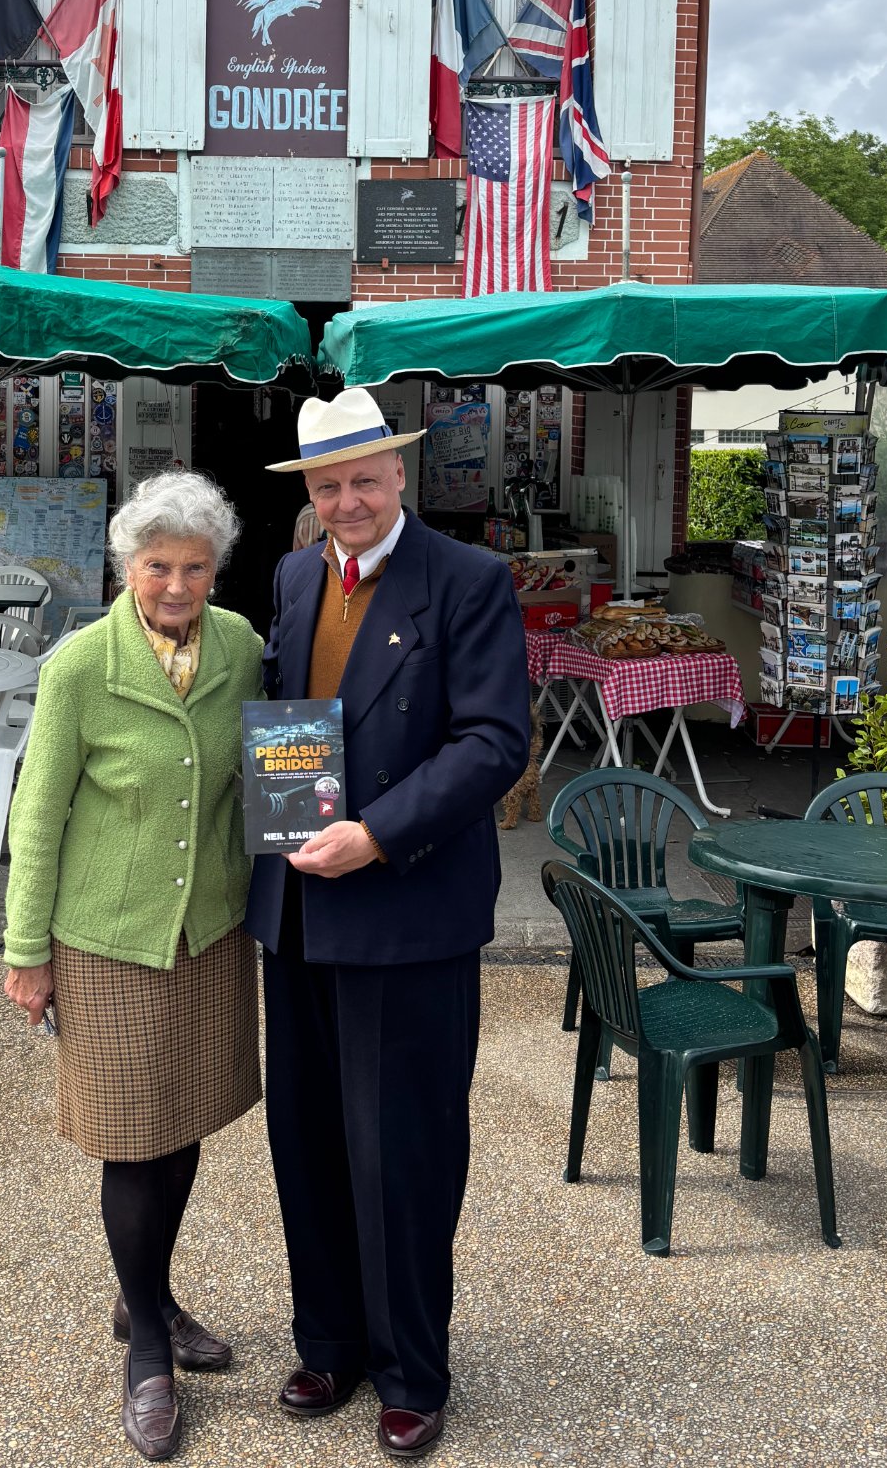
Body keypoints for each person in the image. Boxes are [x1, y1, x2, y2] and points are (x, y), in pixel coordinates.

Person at [249, 387, 531, 1459]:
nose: (349, 499)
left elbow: (495, 741)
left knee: (404, 1149)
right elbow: (290, 717)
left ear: (401, 474)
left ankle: (413, 1367)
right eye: (329, 484)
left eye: (365, 477)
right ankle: (330, 1341)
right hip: (302, 911)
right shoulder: (291, 573)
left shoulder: (467, 579)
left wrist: (376, 831)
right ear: (310, 494)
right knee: (307, 1138)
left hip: (407, 909)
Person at [2, 470, 264, 1463]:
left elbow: (275, 764)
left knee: (185, 1114)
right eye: (158, 564)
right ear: (127, 565)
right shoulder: (80, 667)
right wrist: (27, 951)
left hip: (208, 931)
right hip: (105, 936)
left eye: (195, 566)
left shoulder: (241, 648)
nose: (176, 584)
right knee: (132, 1134)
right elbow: (39, 813)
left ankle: (143, 1290)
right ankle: (148, 1343)